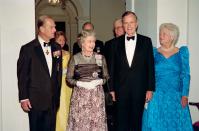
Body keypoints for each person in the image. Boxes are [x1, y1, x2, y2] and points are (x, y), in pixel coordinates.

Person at [142, 23, 193, 131]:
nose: (160, 36)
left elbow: (186, 75)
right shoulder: (154, 52)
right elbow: (148, 74)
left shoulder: (182, 52)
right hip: (157, 96)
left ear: (172, 36)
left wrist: (185, 95)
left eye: (164, 34)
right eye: (160, 33)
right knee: (156, 124)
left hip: (176, 96)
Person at [109, 11, 155, 131]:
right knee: (121, 122)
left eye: (132, 22)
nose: (129, 26)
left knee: (136, 121)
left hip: (139, 88)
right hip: (120, 89)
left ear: (137, 23)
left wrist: (150, 88)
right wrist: (112, 89)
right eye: (126, 23)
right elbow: (112, 67)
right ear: (123, 25)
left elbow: (150, 66)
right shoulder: (115, 43)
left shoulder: (146, 41)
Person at [17, 15, 62, 131]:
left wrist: (57, 94)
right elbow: (22, 75)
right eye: (51, 27)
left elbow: (58, 73)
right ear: (41, 29)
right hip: (35, 101)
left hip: (52, 101)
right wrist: (23, 98)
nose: (55, 30)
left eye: (55, 27)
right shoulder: (28, 49)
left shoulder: (57, 47)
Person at [66, 30, 109, 131]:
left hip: (96, 97)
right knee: (80, 123)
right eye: (89, 41)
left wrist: (99, 81)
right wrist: (80, 83)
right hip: (80, 97)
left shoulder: (100, 57)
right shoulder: (75, 58)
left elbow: (106, 77)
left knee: (96, 124)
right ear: (82, 43)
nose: (92, 44)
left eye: (93, 41)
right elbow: (68, 79)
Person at [104, 18, 124, 131]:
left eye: (119, 27)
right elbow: (106, 66)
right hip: (113, 87)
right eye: (115, 28)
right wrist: (110, 88)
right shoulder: (109, 44)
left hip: (129, 87)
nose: (117, 30)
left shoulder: (133, 43)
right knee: (114, 117)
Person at [54, 31, 72, 131]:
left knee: (67, 105)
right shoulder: (54, 52)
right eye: (59, 40)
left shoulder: (68, 53)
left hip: (67, 84)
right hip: (57, 82)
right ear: (55, 40)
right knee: (60, 107)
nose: (62, 42)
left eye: (63, 40)